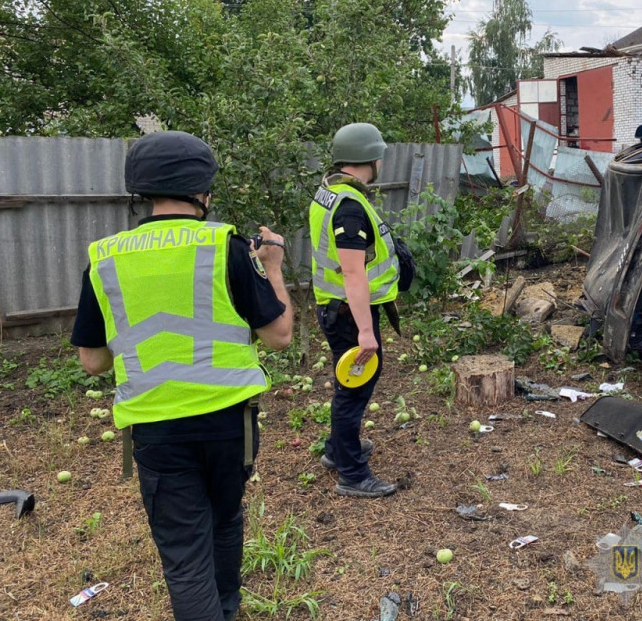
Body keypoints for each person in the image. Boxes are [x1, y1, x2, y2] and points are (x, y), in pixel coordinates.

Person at [70, 131, 294, 621]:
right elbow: (280, 336)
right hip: (229, 422)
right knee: (226, 520)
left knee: (184, 554)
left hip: (156, 429)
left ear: (141, 190)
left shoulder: (105, 257)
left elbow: (93, 362)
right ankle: (226, 609)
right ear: (202, 190)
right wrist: (273, 267)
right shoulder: (224, 245)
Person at [309, 122, 400, 498]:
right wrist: (365, 331)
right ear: (371, 158)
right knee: (355, 388)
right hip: (348, 311)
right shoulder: (348, 206)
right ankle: (352, 473)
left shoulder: (329, 191)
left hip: (336, 306)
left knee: (351, 382)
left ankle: (337, 449)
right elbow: (352, 271)